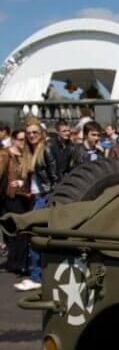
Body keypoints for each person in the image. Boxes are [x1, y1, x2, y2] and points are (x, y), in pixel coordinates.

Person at [14, 118, 61, 291]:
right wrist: (21, 184)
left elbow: (56, 178)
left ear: (41, 134)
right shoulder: (29, 153)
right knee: (34, 236)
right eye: (28, 133)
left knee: (35, 237)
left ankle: (36, 278)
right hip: (34, 197)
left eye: (35, 132)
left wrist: (51, 200)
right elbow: (34, 178)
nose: (31, 135)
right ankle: (38, 276)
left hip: (44, 197)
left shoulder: (46, 150)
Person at [3, 129, 32, 278]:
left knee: (21, 231)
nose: (23, 142)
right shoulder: (5, 155)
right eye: (20, 139)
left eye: (24, 140)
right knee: (17, 231)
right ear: (13, 139)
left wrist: (23, 181)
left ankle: (16, 263)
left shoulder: (27, 155)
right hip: (11, 197)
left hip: (26, 197)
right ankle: (17, 264)